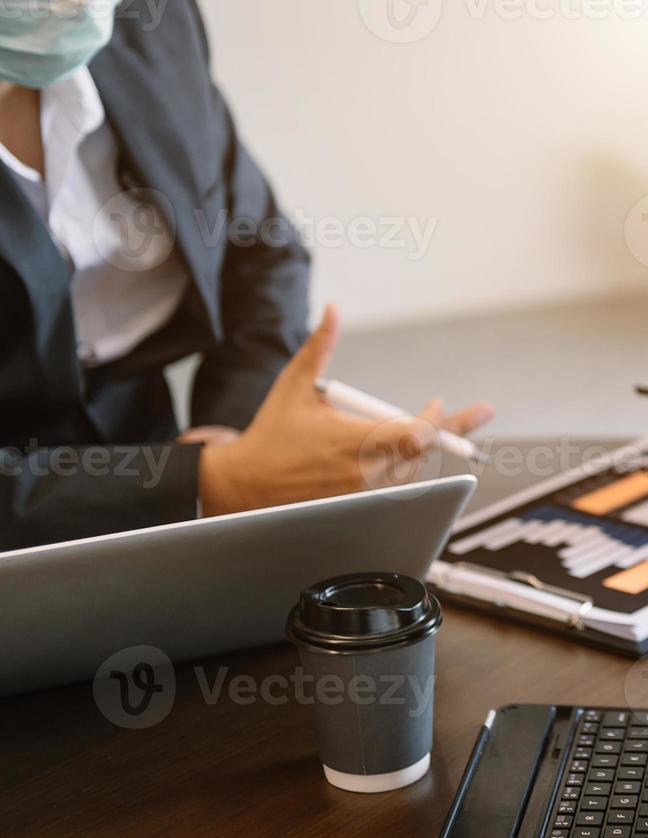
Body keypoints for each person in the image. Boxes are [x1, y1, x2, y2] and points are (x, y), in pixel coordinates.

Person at [0, 0, 490, 552]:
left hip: (167, 480)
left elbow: (259, 251)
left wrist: (234, 441)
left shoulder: (154, 24)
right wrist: (214, 480)